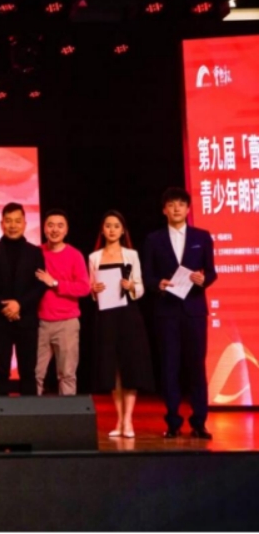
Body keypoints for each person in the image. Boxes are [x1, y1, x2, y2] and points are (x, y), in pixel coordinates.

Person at [143, 187, 216, 439]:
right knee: (169, 367)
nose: (176, 208)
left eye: (181, 204)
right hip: (166, 312)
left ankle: (199, 422)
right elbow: (147, 275)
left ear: (188, 209)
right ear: (164, 210)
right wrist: (158, 284)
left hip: (194, 311)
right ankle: (173, 422)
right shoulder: (153, 239)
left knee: (196, 367)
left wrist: (203, 279)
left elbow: (211, 272)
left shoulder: (202, 237)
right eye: (171, 204)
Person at [89, 211, 154, 439]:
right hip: (106, 316)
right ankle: (119, 419)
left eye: (116, 226)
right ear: (102, 229)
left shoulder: (131, 254)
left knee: (130, 366)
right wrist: (94, 290)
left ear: (123, 230)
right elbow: (92, 289)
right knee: (113, 368)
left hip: (128, 314)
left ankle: (128, 421)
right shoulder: (94, 257)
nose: (112, 230)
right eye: (108, 225)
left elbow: (141, 287)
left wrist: (131, 286)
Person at [0, 203, 48, 397]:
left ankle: (28, 415)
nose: (13, 225)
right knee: (1, 372)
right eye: (8, 221)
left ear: (24, 224)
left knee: (28, 372)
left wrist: (20, 305)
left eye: (17, 221)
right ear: (1, 224)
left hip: (27, 320)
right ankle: (0, 415)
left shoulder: (35, 252)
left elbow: (40, 285)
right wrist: (5, 307)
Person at [34, 210, 91, 396]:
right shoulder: (36, 253)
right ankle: (31, 413)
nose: (55, 230)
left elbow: (84, 288)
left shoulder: (75, 255)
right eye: (50, 225)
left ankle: (68, 414)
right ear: (44, 228)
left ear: (66, 230)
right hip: (40, 322)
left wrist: (55, 283)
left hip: (67, 323)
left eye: (60, 226)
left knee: (67, 375)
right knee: (35, 374)